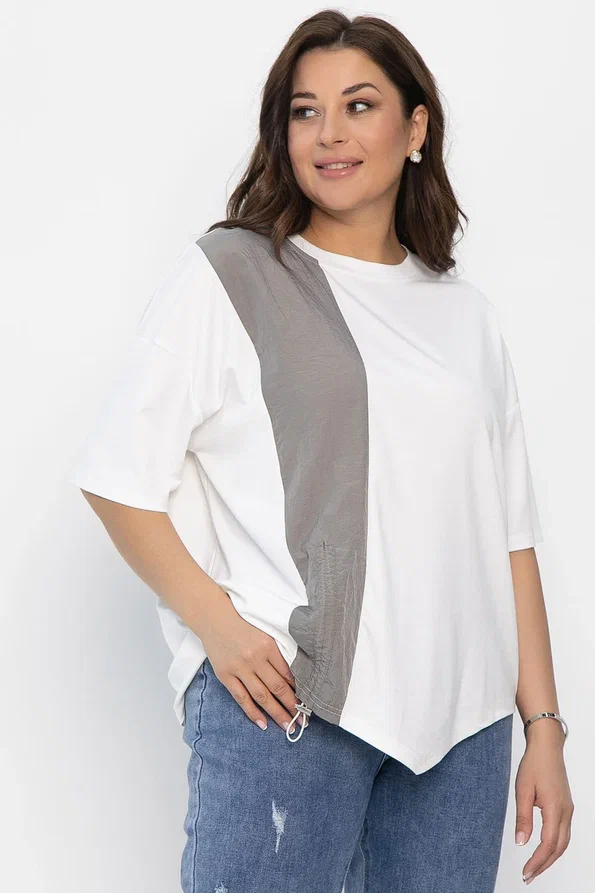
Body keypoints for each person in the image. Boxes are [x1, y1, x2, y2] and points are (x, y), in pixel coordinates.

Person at [69, 9, 573, 892]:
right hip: (289, 708)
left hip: (461, 733)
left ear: (415, 129)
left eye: (358, 105)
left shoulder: (464, 316)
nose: (329, 133)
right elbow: (118, 478)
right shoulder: (232, 275)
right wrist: (220, 629)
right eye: (305, 111)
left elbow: (508, 538)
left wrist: (542, 728)